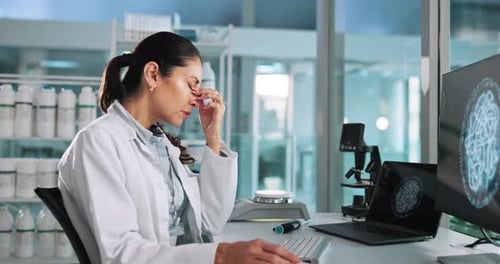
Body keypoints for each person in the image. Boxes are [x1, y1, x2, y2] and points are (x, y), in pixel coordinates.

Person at [58, 31, 301, 264]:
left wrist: (213, 136)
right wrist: (221, 256)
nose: (197, 99)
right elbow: (122, 255)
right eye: (190, 84)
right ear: (153, 74)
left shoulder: (160, 144)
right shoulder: (98, 141)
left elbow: (209, 222)